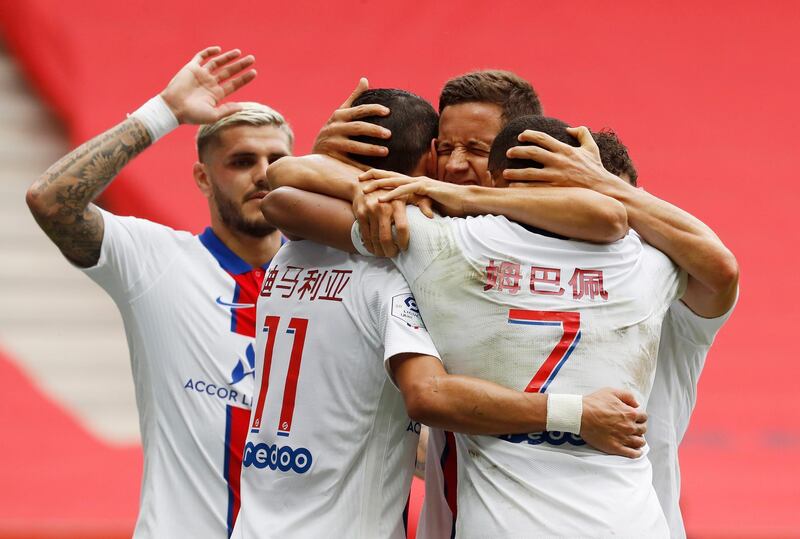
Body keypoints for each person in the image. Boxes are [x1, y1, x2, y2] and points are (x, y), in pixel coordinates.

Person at [239, 90, 650, 538]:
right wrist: (576, 415)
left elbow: (281, 192)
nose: (455, 166)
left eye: (476, 149)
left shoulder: (288, 257)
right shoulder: (407, 259)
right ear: (429, 156)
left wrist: (343, 170)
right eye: (447, 148)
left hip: (257, 520)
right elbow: (429, 395)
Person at [25, 47, 291, 537]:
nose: (263, 173)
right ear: (202, 179)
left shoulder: (330, 279)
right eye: (241, 161)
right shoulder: (157, 261)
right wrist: (163, 111)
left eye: (277, 159)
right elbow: (51, 200)